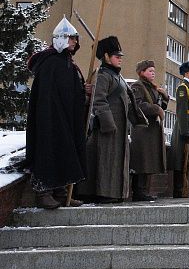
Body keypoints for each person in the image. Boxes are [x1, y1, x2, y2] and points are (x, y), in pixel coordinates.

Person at [25, 17, 89, 209]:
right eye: (71, 38)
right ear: (61, 38)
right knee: (48, 150)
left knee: (65, 149)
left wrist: (82, 91)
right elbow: (47, 94)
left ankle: (61, 192)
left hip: (65, 117)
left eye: (75, 39)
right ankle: (44, 192)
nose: (75, 42)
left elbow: (69, 90)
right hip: (49, 116)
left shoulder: (68, 63)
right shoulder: (50, 62)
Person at [79, 36, 147, 203]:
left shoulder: (117, 76)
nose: (120, 60)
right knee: (106, 161)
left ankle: (115, 193)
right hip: (107, 128)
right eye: (117, 57)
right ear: (107, 57)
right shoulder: (103, 75)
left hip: (119, 127)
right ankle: (105, 193)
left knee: (116, 162)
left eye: (120, 57)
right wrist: (108, 124)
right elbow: (99, 100)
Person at [129, 60, 169, 201]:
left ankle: (145, 190)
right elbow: (137, 105)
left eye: (153, 71)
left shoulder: (152, 87)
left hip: (151, 130)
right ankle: (139, 191)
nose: (153, 73)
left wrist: (165, 97)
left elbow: (161, 107)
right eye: (150, 71)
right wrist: (155, 109)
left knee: (149, 162)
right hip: (142, 130)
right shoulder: (137, 86)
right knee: (142, 161)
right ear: (142, 72)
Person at [170, 62, 189, 198]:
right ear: (186, 73)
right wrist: (184, 131)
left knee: (187, 158)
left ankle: (185, 187)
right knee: (180, 158)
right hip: (184, 126)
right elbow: (181, 110)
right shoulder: (183, 88)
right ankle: (179, 188)